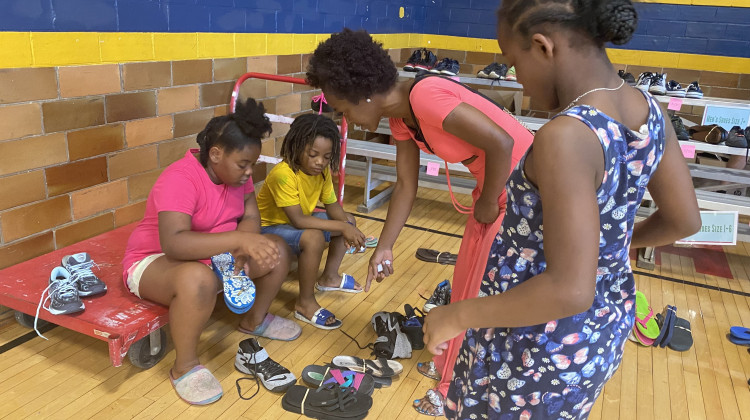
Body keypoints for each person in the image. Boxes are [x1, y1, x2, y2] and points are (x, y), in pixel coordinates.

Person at [421, 1, 702, 418]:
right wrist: (615, 247)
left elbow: (569, 289)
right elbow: (684, 219)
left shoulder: (566, 136)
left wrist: (456, 314)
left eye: (513, 61)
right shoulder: (650, 110)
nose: (517, 79)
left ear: (542, 46)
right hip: (598, 335)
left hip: (534, 347)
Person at [306, 28, 535, 415]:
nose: (346, 119)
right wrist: (385, 246)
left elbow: (503, 143)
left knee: (483, 291)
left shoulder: (425, 96)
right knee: (464, 283)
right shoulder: (401, 119)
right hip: (494, 186)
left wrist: (488, 203)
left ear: (363, 93)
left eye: (343, 109)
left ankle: (454, 390)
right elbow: (405, 186)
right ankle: (452, 366)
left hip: (522, 189)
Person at [121, 98, 301, 406]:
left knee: (277, 251)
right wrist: (239, 243)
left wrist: (246, 248)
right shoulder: (180, 178)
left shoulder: (236, 178)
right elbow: (174, 243)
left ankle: (254, 321)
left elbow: (250, 218)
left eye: (252, 165)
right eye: (243, 165)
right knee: (198, 280)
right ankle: (184, 367)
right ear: (215, 154)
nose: (249, 173)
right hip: (155, 261)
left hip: (213, 257)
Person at [256, 113, 366, 330]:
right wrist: (342, 227)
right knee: (314, 237)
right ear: (296, 146)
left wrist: (348, 226)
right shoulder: (284, 174)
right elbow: (298, 220)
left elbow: (333, 207)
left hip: (293, 224)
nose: (320, 162)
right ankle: (304, 303)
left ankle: (329, 278)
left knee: (348, 219)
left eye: (326, 157)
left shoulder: (322, 173)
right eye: (313, 154)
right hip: (266, 229)